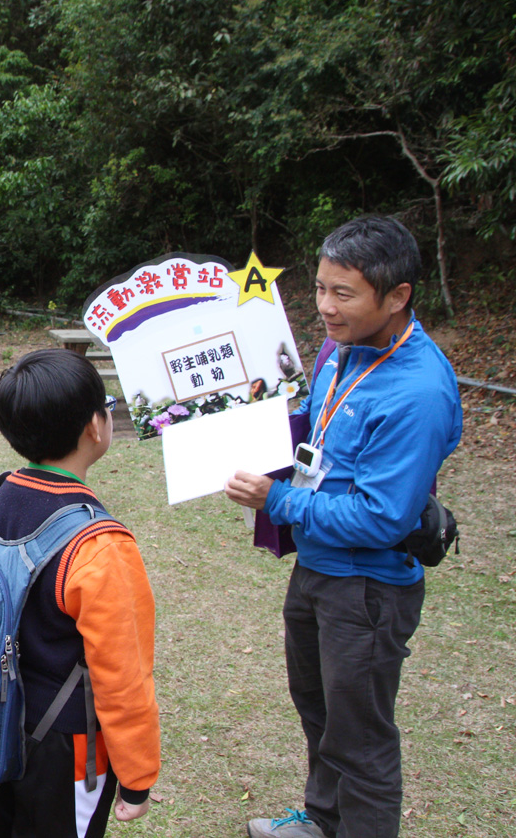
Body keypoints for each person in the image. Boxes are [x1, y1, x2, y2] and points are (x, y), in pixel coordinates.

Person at [225, 215, 463, 838]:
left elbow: (382, 516)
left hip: (366, 590)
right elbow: (313, 419)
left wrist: (276, 499)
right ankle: (324, 821)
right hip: (318, 570)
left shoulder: (418, 392)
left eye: (343, 293)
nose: (324, 308)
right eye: (320, 288)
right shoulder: (347, 349)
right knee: (321, 714)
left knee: (361, 739)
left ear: (397, 296)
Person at [0, 348, 160, 838]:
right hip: (64, 746)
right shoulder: (101, 544)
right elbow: (122, 675)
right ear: (96, 426)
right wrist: (137, 778)